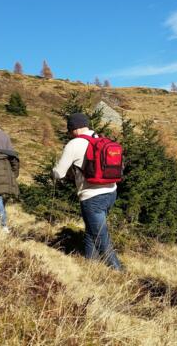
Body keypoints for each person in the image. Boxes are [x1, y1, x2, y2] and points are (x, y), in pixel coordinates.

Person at [53, 113, 122, 270]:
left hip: (92, 197)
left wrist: (54, 172)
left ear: (74, 129)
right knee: (92, 231)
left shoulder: (74, 144)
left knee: (101, 237)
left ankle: (118, 272)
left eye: (69, 130)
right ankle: (91, 266)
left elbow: (59, 173)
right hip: (111, 192)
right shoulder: (99, 138)